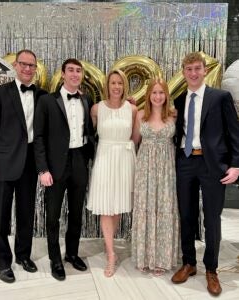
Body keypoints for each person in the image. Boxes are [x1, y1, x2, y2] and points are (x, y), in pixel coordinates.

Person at [171, 52, 239, 296]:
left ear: (204, 70)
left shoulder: (220, 97)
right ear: (183, 72)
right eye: (188, 69)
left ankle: (211, 269)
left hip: (213, 166)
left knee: (212, 221)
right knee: (186, 216)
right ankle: (189, 263)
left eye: (197, 68)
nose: (193, 73)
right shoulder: (179, 100)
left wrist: (235, 165)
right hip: (185, 163)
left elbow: (234, 133)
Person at [0, 49, 47, 283]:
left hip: (30, 163)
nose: (28, 69)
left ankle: (23, 256)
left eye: (32, 65)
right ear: (15, 66)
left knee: (26, 213)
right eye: (23, 64)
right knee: (0, 215)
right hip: (2, 163)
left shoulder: (42, 95)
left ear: (35, 68)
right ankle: (2, 262)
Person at [33, 58, 95, 281]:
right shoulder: (47, 101)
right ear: (62, 74)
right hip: (55, 165)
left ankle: (71, 253)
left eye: (79, 71)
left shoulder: (86, 99)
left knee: (77, 214)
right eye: (71, 70)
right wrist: (43, 169)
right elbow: (38, 137)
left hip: (79, 161)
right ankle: (54, 259)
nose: (75, 74)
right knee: (53, 217)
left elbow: (89, 130)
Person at [87, 69, 137, 277]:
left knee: (116, 207)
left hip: (125, 158)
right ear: (107, 86)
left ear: (124, 86)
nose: (116, 87)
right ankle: (110, 254)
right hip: (105, 158)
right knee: (106, 208)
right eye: (113, 83)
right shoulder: (96, 109)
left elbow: (135, 139)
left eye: (120, 83)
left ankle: (111, 246)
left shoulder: (132, 109)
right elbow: (89, 136)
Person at [131, 78, 179, 276]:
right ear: (148, 95)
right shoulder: (140, 115)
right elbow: (134, 141)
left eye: (161, 92)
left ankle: (162, 258)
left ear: (166, 95)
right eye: (154, 92)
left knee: (164, 208)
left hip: (167, 170)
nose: (158, 96)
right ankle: (144, 257)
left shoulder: (173, 116)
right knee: (146, 208)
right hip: (145, 169)